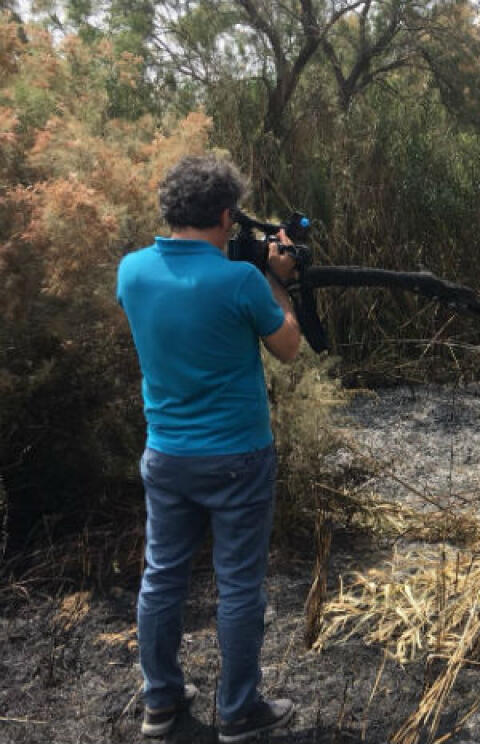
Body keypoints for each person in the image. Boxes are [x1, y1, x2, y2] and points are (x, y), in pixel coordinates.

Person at [116, 154, 301, 742]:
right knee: (240, 583)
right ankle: (240, 710)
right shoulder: (242, 281)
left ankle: (161, 701)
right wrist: (279, 277)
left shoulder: (131, 272)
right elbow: (289, 346)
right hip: (238, 457)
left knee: (162, 576)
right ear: (226, 215)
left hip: (166, 455)